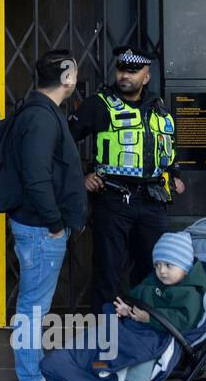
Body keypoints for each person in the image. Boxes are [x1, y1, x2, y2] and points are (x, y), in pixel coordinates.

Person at [68, 44, 185, 309]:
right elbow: (62, 143)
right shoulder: (97, 105)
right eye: (121, 69)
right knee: (108, 272)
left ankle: (144, 332)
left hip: (153, 202)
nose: (125, 75)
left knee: (155, 270)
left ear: (147, 75)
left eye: (133, 70)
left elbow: (167, 148)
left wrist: (174, 174)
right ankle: (106, 336)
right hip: (113, 200)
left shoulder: (159, 107)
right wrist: (82, 175)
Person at [9, 50, 87, 381]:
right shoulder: (41, 117)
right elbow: (36, 177)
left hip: (41, 228)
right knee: (32, 310)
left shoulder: (39, 110)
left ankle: (34, 376)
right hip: (42, 230)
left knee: (35, 308)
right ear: (67, 77)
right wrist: (55, 224)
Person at [107, 232, 206, 381]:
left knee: (146, 352)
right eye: (157, 265)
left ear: (185, 267)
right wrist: (127, 308)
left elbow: (184, 319)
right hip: (145, 327)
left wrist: (149, 318)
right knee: (116, 330)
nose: (161, 271)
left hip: (168, 337)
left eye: (169, 265)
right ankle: (110, 377)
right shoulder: (155, 280)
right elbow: (138, 295)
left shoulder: (190, 293)